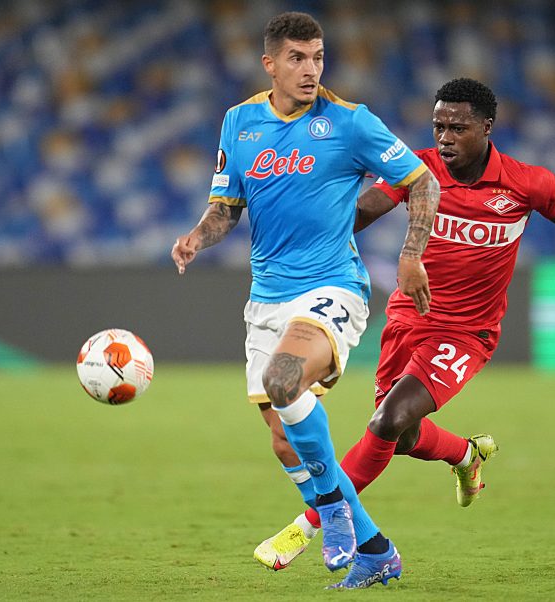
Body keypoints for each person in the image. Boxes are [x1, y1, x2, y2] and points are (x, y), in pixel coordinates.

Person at [254, 77, 555, 570]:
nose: (445, 138)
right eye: (439, 126)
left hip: (467, 333)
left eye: (458, 128)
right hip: (408, 319)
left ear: (487, 127)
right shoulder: (417, 170)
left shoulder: (525, 182)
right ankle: (465, 454)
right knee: (398, 436)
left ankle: (309, 525)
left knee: (386, 421)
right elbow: (363, 211)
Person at [170, 12, 440, 589]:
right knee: (282, 438)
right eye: (297, 58)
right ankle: (375, 549)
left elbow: (422, 181)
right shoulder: (240, 122)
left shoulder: (350, 122)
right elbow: (225, 209)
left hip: (333, 284)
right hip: (267, 295)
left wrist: (411, 254)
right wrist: (197, 236)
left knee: (284, 377)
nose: (311, 69)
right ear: (269, 63)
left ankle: (332, 511)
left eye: (318, 57)